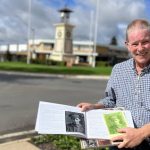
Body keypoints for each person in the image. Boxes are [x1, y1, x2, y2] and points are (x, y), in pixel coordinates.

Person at [77, 19, 150, 150]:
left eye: (145, 42)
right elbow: (111, 100)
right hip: (119, 142)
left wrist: (141, 133)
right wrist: (94, 106)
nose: (140, 48)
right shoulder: (118, 69)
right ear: (127, 45)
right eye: (135, 44)